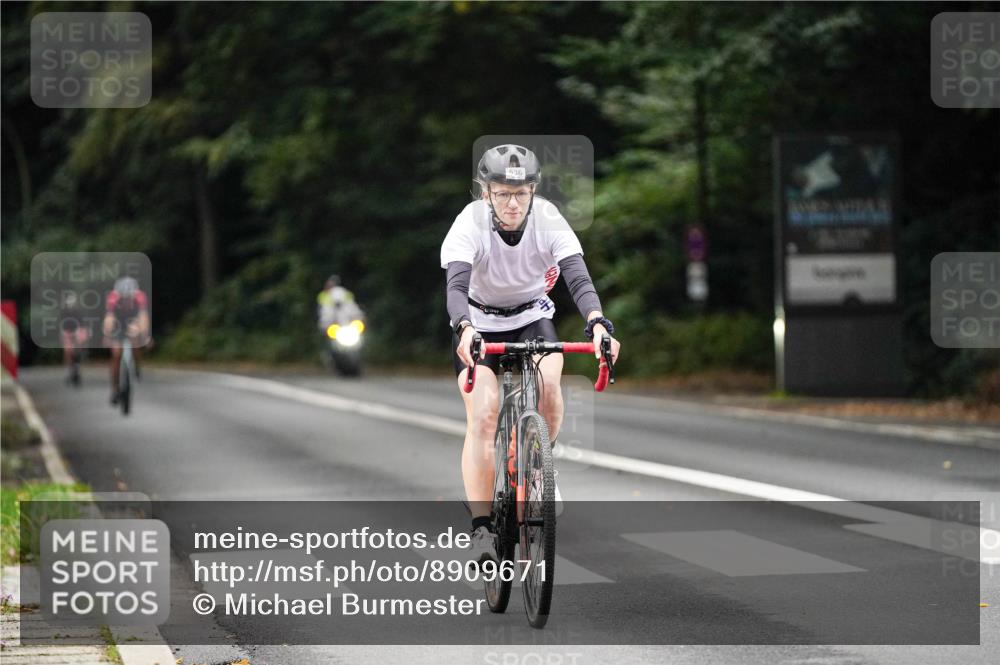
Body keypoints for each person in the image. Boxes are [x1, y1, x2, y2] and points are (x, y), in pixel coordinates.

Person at [440, 144, 621, 566]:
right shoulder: (469, 223)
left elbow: (577, 276)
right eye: (502, 193)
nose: (512, 202)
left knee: (550, 385)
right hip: (479, 324)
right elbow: (455, 288)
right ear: (485, 193)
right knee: (484, 415)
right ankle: (482, 528)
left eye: (521, 193)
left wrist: (597, 322)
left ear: (534, 191)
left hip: (530, 316)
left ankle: (539, 464)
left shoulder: (548, 219)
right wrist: (464, 328)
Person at [103, 277, 150, 405]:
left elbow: (143, 317)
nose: (126, 301)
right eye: (124, 298)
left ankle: (137, 366)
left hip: (133, 321)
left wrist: (145, 335)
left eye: (129, 298)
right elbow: (109, 318)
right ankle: (114, 389)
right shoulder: (113, 297)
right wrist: (107, 334)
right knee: (116, 354)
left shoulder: (140, 297)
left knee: (136, 339)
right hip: (118, 323)